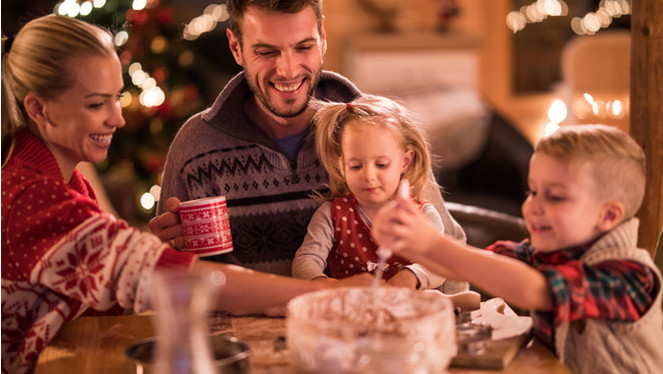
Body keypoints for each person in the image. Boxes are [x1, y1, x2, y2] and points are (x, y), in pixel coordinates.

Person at [0, 15, 372, 374]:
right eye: (97, 104)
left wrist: (153, 249)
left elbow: (106, 273)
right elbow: (160, 275)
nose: (118, 118)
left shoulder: (66, 182)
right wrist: (319, 297)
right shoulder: (31, 198)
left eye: (117, 97)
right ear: (38, 109)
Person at [150, 0, 467, 285]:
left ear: (323, 37)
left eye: (303, 47)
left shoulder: (380, 134)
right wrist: (171, 254)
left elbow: (452, 267)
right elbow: (172, 283)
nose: (287, 70)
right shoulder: (196, 146)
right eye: (266, 51)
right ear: (236, 47)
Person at [372, 124, 663, 373]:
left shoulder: (630, 276)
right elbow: (480, 264)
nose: (533, 206)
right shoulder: (548, 254)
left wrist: (432, 243)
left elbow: (534, 290)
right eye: (533, 191)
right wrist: (409, 242)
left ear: (607, 215)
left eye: (554, 197)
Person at [291, 95, 447, 290]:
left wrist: (409, 278)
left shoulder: (423, 215)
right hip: (349, 310)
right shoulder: (331, 214)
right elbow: (306, 260)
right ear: (342, 166)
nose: (369, 175)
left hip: (405, 311)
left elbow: (440, 263)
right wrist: (321, 284)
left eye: (381, 165)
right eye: (356, 166)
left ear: (405, 162)